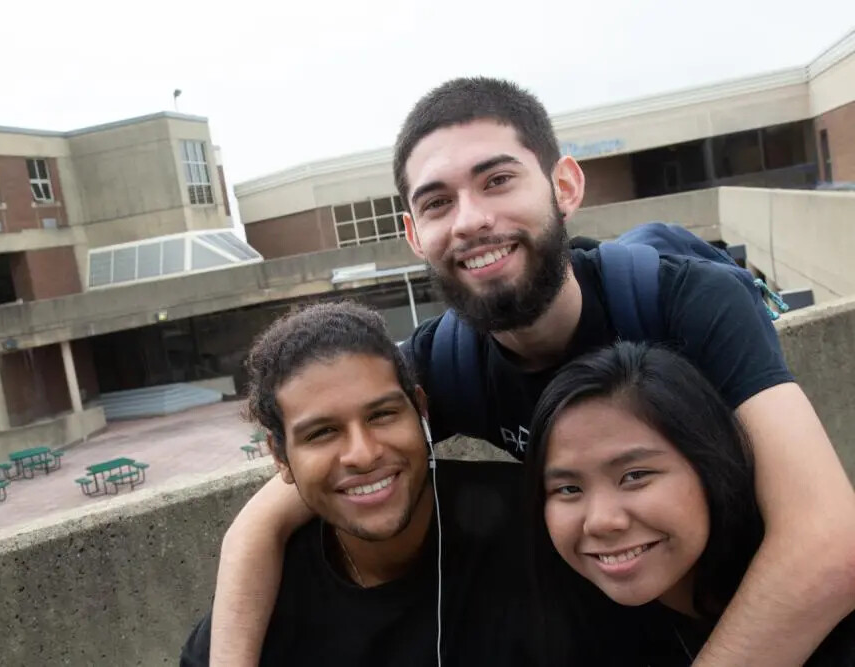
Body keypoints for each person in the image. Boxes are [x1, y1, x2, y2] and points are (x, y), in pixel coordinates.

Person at [209, 77, 855, 666]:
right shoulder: (445, 367)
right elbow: (267, 517)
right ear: (414, 234)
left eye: (497, 180)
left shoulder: (686, 301)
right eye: (437, 203)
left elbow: (829, 538)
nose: (470, 219)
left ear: (565, 186)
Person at [181, 302, 532, 666]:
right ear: (280, 458)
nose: (363, 454)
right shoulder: (265, 599)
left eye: (381, 415)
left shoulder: (533, 533)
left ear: (421, 411)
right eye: (322, 433)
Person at [522, 342, 855, 666]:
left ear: (711, 469)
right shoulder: (576, 628)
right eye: (568, 489)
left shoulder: (828, 622)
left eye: (635, 475)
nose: (600, 521)